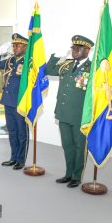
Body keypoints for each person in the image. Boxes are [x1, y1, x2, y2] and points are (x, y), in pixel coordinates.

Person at [45, 35, 94, 188]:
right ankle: (68, 173)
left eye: (78, 48)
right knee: (67, 145)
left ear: (87, 50)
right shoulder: (66, 65)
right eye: (73, 48)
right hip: (63, 112)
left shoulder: (92, 68)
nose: (74, 51)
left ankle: (77, 176)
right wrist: (57, 56)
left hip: (80, 115)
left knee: (80, 146)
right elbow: (48, 70)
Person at [0, 33, 29, 170]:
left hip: (20, 102)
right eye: (13, 45)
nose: (14, 47)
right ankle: (13, 157)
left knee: (21, 132)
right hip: (8, 101)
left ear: (25, 47)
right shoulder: (10, 60)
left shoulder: (28, 62)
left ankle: (21, 159)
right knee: (12, 131)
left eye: (18, 45)